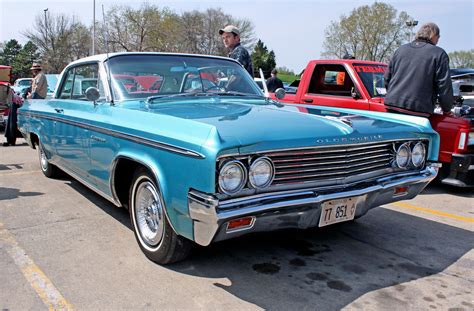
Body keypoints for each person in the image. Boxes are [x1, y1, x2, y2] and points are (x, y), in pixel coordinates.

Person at [384, 22, 453, 117]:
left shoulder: (400, 50)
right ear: (434, 36)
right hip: (418, 109)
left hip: (392, 105)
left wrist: (394, 96)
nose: (438, 41)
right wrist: (447, 109)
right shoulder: (439, 54)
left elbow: (387, 78)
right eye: (438, 37)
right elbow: (444, 86)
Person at [2, 82, 23, 146]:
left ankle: (11, 140)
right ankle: (11, 140)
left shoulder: (13, 97)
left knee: (11, 123)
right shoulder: (15, 96)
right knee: (11, 123)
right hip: (14, 106)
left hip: (13, 106)